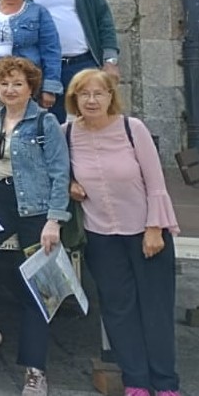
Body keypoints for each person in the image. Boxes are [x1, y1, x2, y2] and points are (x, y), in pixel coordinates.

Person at [65, 69, 181, 396]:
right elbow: (53, 170)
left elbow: (156, 183)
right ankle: (136, 381)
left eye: (98, 93)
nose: (91, 100)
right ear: (74, 99)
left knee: (155, 309)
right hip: (100, 235)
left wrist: (155, 228)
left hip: (145, 231)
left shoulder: (133, 129)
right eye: (84, 94)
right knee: (118, 310)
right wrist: (69, 184)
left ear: (110, 97)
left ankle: (165, 383)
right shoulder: (67, 133)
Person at [0, 57, 71, 396]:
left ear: (30, 88)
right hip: (0, 198)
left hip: (36, 206)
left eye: (17, 84)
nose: (10, 89)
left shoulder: (45, 122)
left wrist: (54, 219)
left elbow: (60, 172)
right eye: (5, 84)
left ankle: (35, 370)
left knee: (35, 281)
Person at [24, 0, 121, 121]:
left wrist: (110, 61)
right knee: (51, 125)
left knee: (93, 120)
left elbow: (103, 17)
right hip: (45, 69)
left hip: (84, 63)